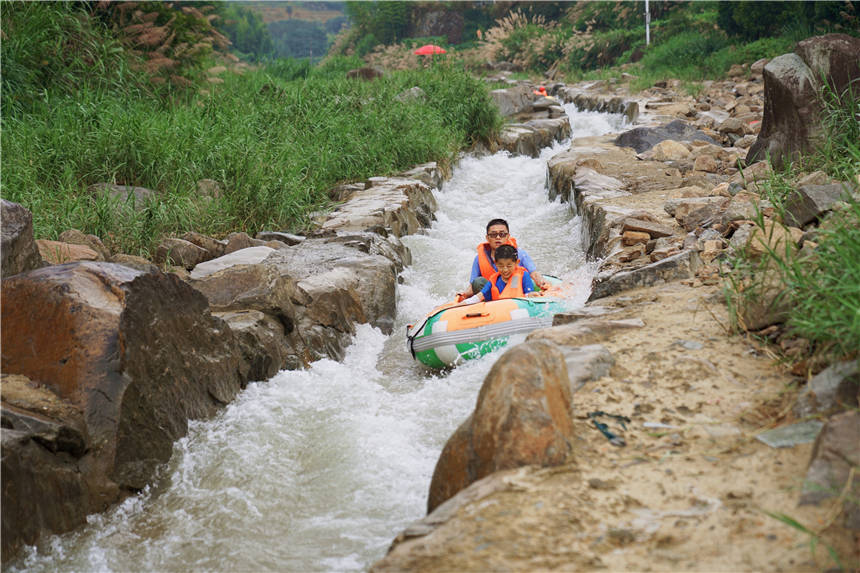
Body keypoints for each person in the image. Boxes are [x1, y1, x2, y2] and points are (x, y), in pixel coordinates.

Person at [457, 218, 548, 300]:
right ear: (487, 238)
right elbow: (473, 285)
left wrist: (543, 284)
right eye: (493, 235)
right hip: (492, 295)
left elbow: (534, 273)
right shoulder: (479, 259)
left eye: (502, 234)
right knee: (478, 282)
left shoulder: (520, 254)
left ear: (508, 236)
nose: (498, 237)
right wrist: (463, 295)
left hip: (517, 292)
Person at [458, 245, 538, 304]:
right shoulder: (494, 280)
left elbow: (529, 295)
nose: (505, 270)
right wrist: (461, 304)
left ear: (517, 263)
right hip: (497, 311)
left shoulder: (523, 276)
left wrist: (531, 295)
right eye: (501, 266)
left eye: (509, 266)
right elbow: (479, 296)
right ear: (496, 264)